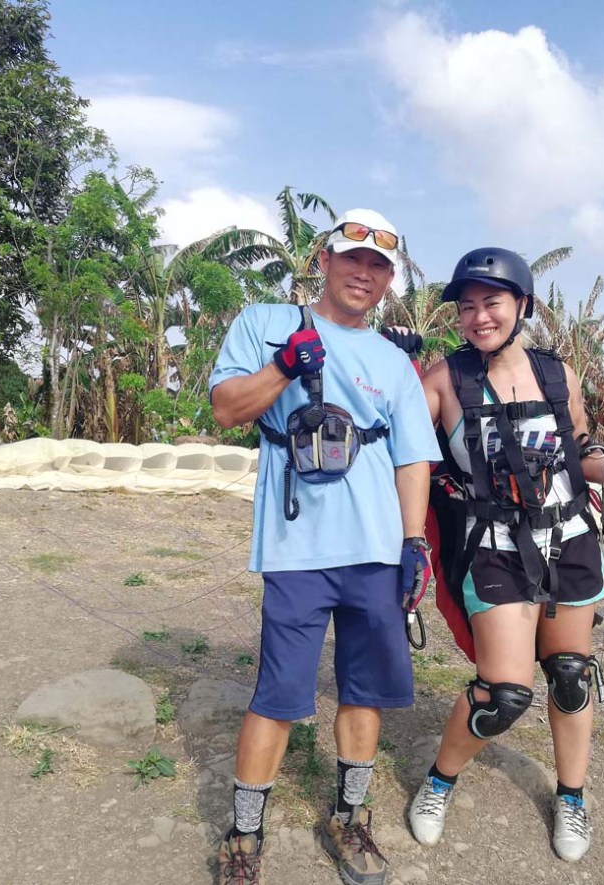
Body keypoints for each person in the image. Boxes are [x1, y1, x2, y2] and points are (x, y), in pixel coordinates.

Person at [208, 209, 441, 885]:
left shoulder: (393, 360)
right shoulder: (265, 323)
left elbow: (411, 459)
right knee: (278, 693)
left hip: (374, 548)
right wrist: (285, 365)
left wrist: (414, 542)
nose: (363, 274)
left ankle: (349, 817)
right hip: (296, 546)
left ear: (389, 278)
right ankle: (244, 836)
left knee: (363, 691)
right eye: (351, 259)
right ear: (324, 258)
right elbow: (227, 408)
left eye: (378, 266)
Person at [400, 248, 604, 863]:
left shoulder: (556, 374)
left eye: (491, 302)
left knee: (570, 676)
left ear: (522, 306)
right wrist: (391, 360)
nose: (478, 316)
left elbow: (578, 450)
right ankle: (439, 781)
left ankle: (572, 794)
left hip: (568, 541)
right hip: (493, 550)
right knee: (503, 694)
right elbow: (401, 444)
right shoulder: (443, 379)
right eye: (466, 307)